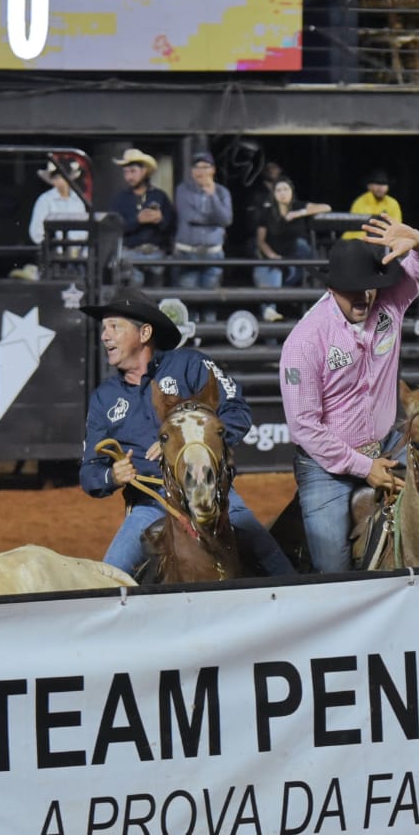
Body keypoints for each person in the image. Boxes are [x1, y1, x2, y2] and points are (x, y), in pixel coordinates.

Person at [79, 288, 294, 578]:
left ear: (144, 333)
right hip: (150, 502)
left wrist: (194, 441)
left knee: (269, 556)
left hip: (213, 492)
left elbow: (236, 410)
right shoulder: (104, 398)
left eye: (115, 327)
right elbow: (90, 472)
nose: (105, 335)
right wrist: (112, 475)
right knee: (108, 577)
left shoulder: (190, 365)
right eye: (104, 328)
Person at [278, 218, 419, 574]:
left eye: (370, 286)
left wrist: (418, 238)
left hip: (388, 442)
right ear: (331, 288)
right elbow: (305, 427)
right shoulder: (304, 342)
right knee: (335, 573)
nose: (364, 295)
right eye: (352, 288)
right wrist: (365, 467)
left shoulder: (389, 303)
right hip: (326, 468)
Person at [254, 176, 331, 320]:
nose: (282, 193)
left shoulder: (298, 206)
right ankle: (269, 311)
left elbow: (327, 207)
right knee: (271, 269)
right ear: (274, 194)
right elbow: (260, 241)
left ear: (291, 191)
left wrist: (299, 213)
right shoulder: (266, 212)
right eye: (279, 190)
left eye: (285, 189)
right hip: (278, 257)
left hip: (298, 259)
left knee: (301, 244)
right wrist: (271, 255)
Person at [110, 147, 173, 288]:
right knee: (134, 298)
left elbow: (171, 225)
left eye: (133, 171)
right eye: (126, 172)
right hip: (130, 254)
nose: (129, 177)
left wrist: (160, 220)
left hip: (156, 254)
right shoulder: (120, 199)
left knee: (156, 298)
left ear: (144, 171)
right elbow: (114, 228)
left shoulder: (159, 196)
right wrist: (137, 221)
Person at [173, 150, 232, 289]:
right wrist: (215, 220)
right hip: (187, 253)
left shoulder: (222, 192)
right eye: (196, 167)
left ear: (213, 170)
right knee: (189, 299)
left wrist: (213, 196)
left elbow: (226, 219)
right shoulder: (183, 189)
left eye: (205, 167)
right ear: (192, 171)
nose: (201, 171)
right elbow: (190, 217)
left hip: (213, 254)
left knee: (210, 300)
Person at [28, 159, 89, 247]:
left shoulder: (79, 200)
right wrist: (50, 248)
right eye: (56, 177)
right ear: (52, 180)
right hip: (54, 255)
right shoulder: (45, 200)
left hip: (79, 254)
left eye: (63, 176)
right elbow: (36, 233)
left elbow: (85, 229)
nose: (61, 181)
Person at [341, 169, 402, 240]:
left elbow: (397, 226)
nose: (380, 188)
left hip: (383, 240)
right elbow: (357, 226)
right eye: (377, 183)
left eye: (384, 184)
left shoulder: (393, 203)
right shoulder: (361, 201)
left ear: (388, 187)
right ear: (369, 186)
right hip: (358, 240)